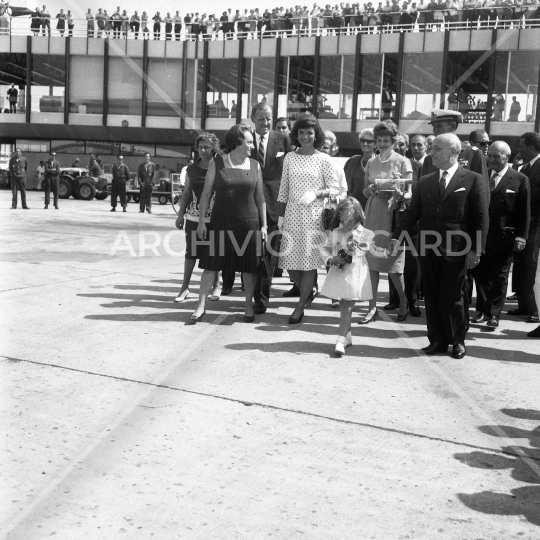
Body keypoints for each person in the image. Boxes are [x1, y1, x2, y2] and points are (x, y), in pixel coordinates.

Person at [388, 133, 489, 360]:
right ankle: (437, 340)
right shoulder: (425, 181)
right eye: (431, 149)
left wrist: (477, 249)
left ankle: (457, 341)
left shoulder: (472, 179)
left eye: (437, 149)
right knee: (432, 297)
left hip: (458, 250)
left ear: (453, 152)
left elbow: (481, 218)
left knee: (453, 297)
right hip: (427, 248)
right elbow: (412, 213)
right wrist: (396, 237)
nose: (431, 153)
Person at [189, 124, 268, 323]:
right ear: (237, 142)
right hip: (221, 222)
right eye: (249, 142)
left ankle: (248, 304)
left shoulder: (254, 165)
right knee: (210, 266)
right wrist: (201, 222)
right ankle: (200, 305)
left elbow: (260, 199)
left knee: (249, 268)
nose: (252, 146)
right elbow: (206, 194)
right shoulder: (218, 163)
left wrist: (264, 225)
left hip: (249, 223)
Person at [226, 103, 292, 312]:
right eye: (261, 118)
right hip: (247, 204)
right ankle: (248, 294)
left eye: (269, 118)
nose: (266, 122)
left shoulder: (282, 140)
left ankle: (261, 301)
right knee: (248, 253)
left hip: (273, 206)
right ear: (253, 119)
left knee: (268, 256)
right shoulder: (243, 139)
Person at [277, 113, 339, 324]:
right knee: (289, 263)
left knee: (308, 264)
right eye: (301, 133)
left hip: (314, 216)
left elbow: (335, 189)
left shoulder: (324, 159)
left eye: (309, 133)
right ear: (296, 134)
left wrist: (317, 194)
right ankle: (309, 290)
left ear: (316, 134)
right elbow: (283, 188)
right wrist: (280, 216)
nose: (305, 137)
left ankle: (300, 306)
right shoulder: (289, 158)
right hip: (292, 214)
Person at [472, 141, 530, 328]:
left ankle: (494, 314)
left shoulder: (519, 179)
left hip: (504, 237)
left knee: (500, 276)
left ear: (507, 157)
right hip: (482, 235)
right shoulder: (481, 176)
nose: (492, 160)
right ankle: (482, 309)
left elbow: (524, 212)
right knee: (480, 273)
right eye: (490, 156)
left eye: (497, 156)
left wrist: (521, 236)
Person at [360, 121, 413, 324]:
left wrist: (401, 192)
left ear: (394, 141)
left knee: (394, 265)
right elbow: (365, 191)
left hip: (393, 213)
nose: (382, 143)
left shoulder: (402, 162)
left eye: (386, 140)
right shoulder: (372, 162)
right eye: (379, 140)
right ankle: (372, 307)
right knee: (371, 264)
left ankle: (403, 300)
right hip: (373, 212)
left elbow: (409, 192)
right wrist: (371, 190)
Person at [174, 133, 221, 303]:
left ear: (214, 148)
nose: (202, 150)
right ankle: (184, 287)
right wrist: (181, 215)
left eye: (206, 147)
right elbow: (186, 193)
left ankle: (216, 285)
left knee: (215, 253)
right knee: (191, 254)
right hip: (193, 219)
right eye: (200, 147)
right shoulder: (191, 170)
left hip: (216, 219)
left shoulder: (220, 167)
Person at [321, 204, 375, 353]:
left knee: (347, 307)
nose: (344, 224)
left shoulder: (366, 233)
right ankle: (347, 336)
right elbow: (324, 248)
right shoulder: (336, 232)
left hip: (356, 274)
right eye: (342, 220)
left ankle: (340, 340)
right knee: (345, 305)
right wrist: (331, 259)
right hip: (340, 273)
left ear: (358, 217)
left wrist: (385, 249)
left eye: (348, 220)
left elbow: (372, 250)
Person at [510, 132, 540, 321]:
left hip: (536, 224)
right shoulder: (525, 167)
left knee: (530, 264)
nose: (519, 149)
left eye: (522, 145)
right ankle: (524, 305)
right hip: (524, 223)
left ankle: (534, 308)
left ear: (531, 147)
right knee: (521, 264)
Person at [344, 128, 376, 211]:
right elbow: (343, 186)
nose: (365, 144)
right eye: (363, 140)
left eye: (369, 141)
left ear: (376, 144)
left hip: (372, 208)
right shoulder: (352, 161)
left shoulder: (379, 163)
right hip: (353, 208)